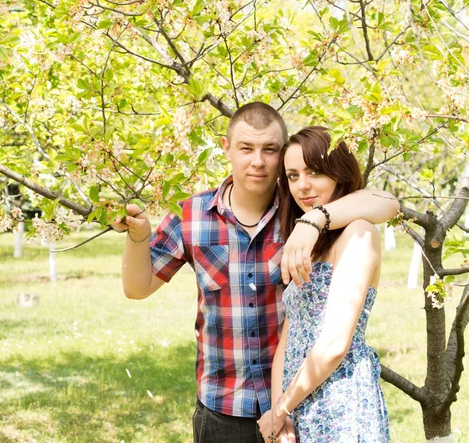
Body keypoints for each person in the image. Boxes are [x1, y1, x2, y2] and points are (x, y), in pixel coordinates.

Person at [112, 102, 398, 443]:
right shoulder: (190, 216)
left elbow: (385, 202)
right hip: (224, 405)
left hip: (302, 401)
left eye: (270, 150)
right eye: (246, 148)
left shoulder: (303, 208)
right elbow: (137, 288)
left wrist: (312, 221)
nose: (258, 161)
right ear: (227, 148)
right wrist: (139, 237)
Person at [257, 126, 391, 442]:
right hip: (297, 400)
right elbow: (290, 333)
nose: (303, 185)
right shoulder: (308, 247)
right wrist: (280, 414)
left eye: (314, 171)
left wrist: (314, 219)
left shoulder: (359, 233)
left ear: (339, 174)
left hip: (340, 400)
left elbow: (333, 345)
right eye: (292, 176)